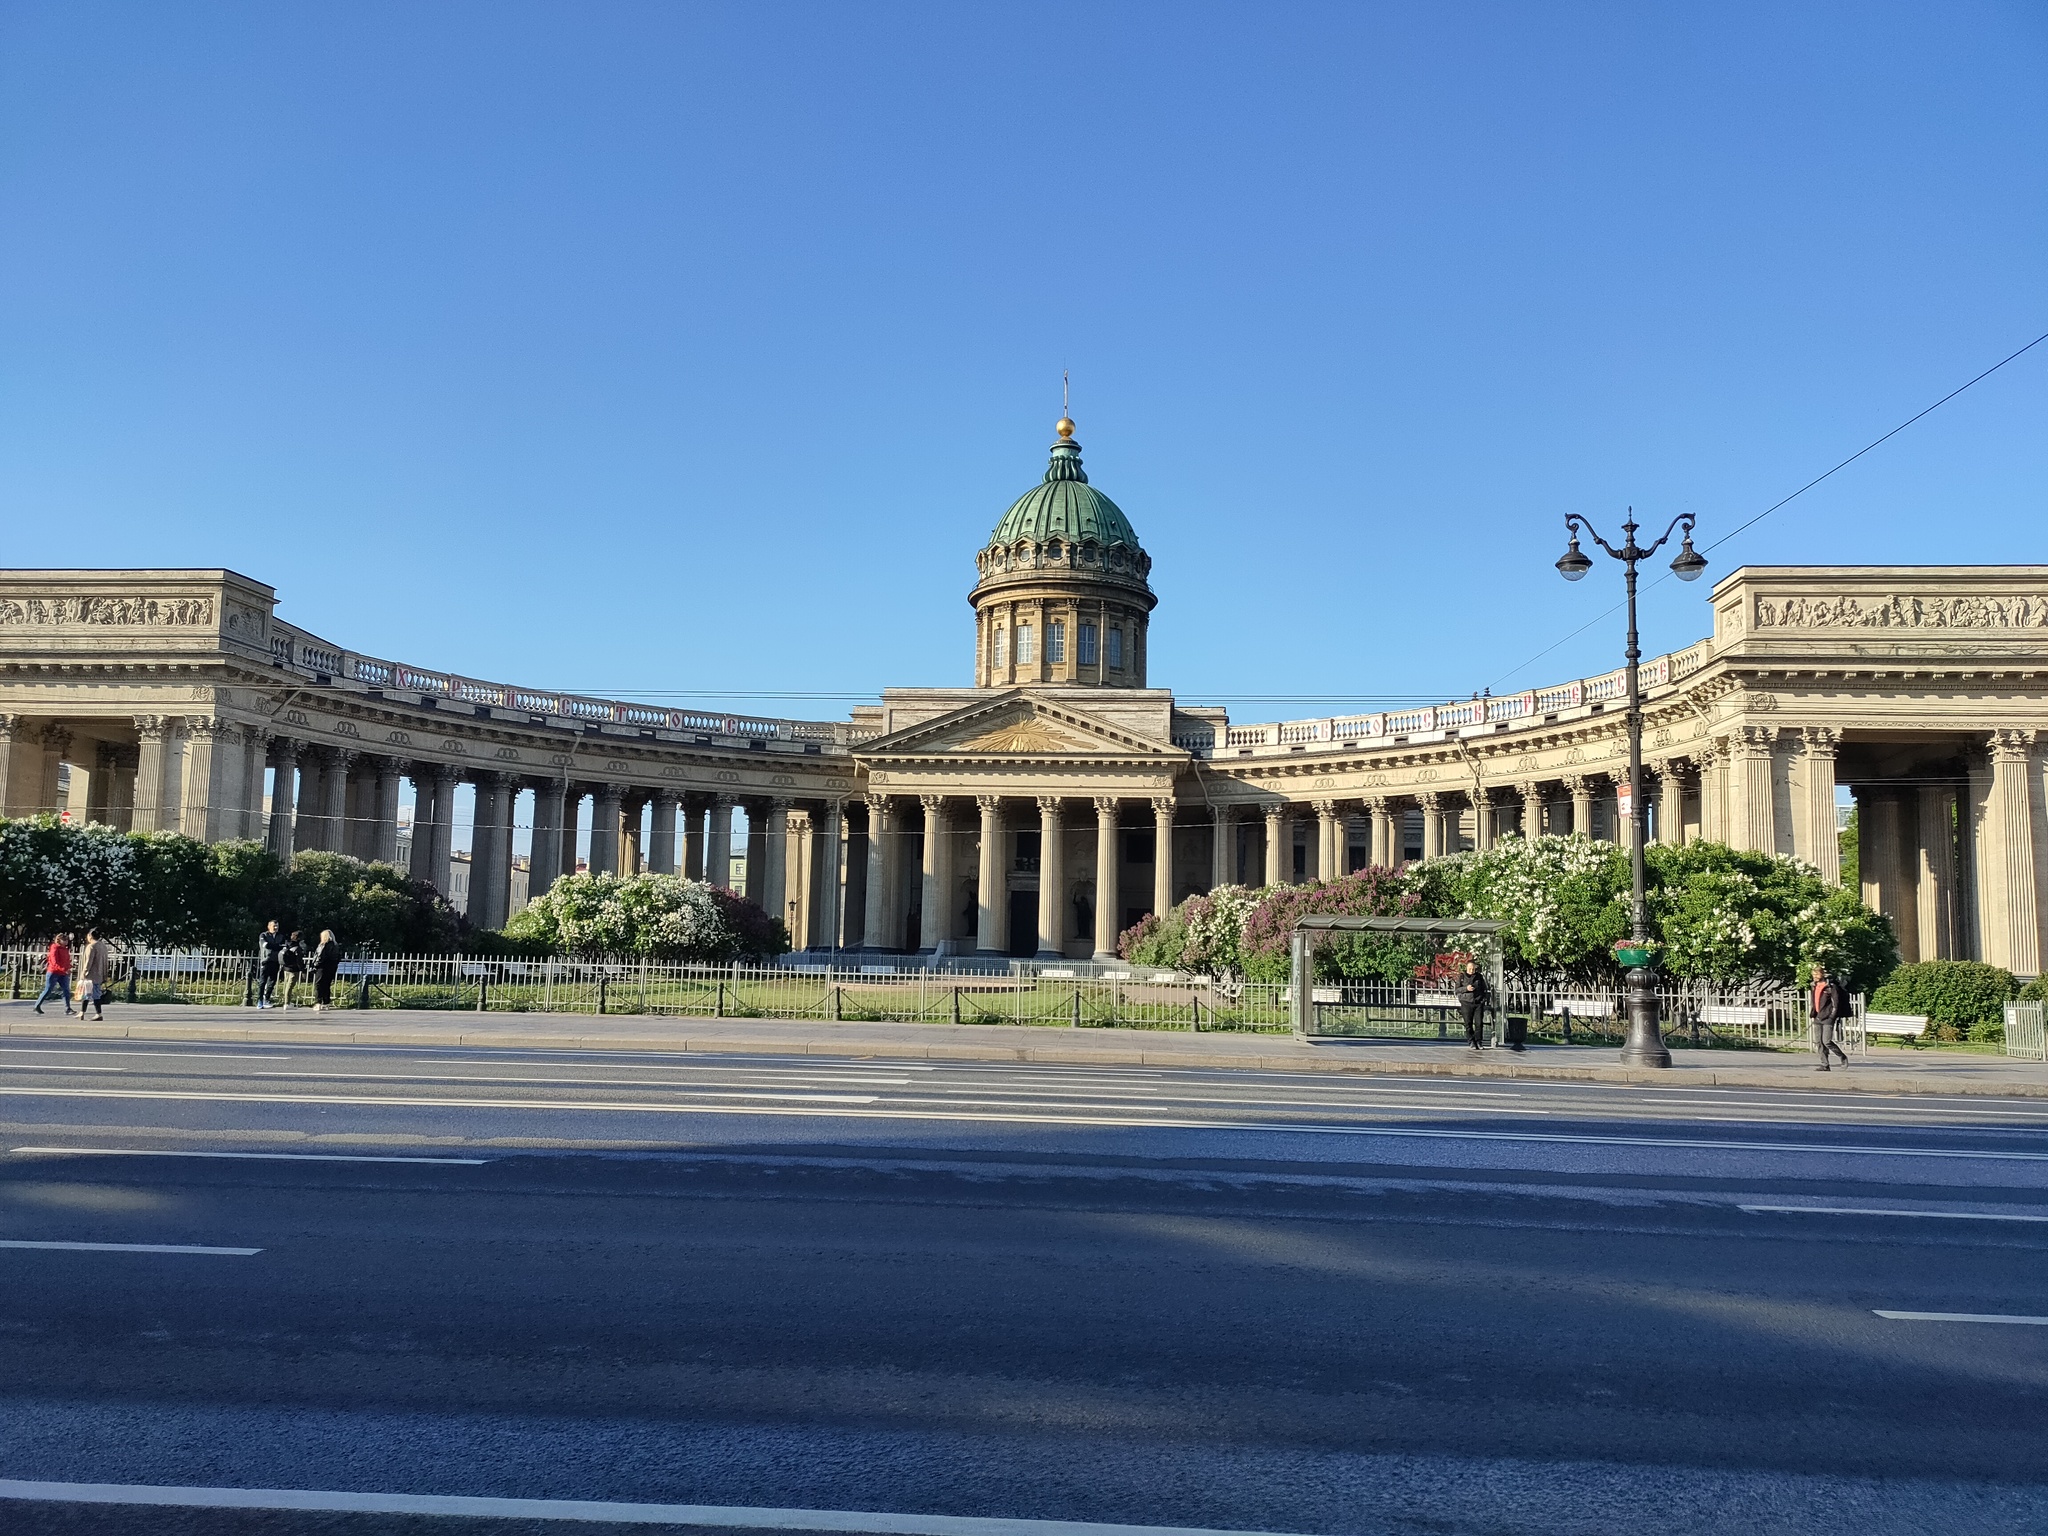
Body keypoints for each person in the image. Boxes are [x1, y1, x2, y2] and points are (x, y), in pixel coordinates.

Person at [1812, 966, 1850, 1070]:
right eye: (1813, 974)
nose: (1815, 976)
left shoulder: (1830, 987)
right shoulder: (1814, 985)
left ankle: (1842, 1057)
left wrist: (1832, 1016)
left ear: (1822, 974)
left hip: (1828, 1017)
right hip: (1817, 1016)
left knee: (1827, 1041)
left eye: (1817, 974)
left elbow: (1835, 1003)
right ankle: (1825, 1064)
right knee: (1818, 1042)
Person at [34, 933, 73, 1016]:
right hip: (53, 972)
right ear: (59, 940)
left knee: (66, 990)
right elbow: (54, 962)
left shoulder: (65, 949)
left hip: (63, 973)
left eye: (66, 940)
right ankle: (37, 1005)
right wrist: (63, 969)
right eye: (64, 940)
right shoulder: (54, 948)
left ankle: (67, 1008)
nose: (66, 942)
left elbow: (66, 960)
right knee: (48, 989)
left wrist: (69, 967)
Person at [76, 929, 109, 1022]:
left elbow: (88, 961)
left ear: (90, 935)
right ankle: (82, 1012)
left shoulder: (91, 946)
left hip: (91, 974)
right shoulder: (103, 946)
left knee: (92, 994)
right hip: (100, 973)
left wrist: (84, 973)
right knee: (88, 993)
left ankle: (98, 1014)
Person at [1456, 960, 1489, 1050]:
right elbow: (1457, 990)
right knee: (1468, 1023)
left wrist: (1483, 999)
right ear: (1466, 968)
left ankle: (1479, 1041)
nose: (1471, 971)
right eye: (1470, 969)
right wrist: (1466, 988)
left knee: (1479, 1023)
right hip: (1466, 1002)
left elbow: (1484, 988)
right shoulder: (1461, 977)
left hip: (1478, 1002)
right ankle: (1471, 1041)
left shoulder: (1479, 977)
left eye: (1473, 969)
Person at [309, 929, 342, 1013]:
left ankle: (318, 1002)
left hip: (322, 967)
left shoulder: (323, 945)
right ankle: (326, 1002)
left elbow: (319, 957)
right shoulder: (336, 946)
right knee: (327, 985)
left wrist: (314, 966)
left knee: (318, 985)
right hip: (331, 967)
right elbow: (338, 957)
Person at [256, 920, 286, 1009]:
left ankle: (267, 998)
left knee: (272, 981)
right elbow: (265, 945)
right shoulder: (263, 935)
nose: (276, 928)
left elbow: (283, 946)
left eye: (277, 926)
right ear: (269, 926)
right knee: (262, 981)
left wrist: (276, 946)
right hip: (266, 960)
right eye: (274, 926)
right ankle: (260, 1000)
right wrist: (277, 946)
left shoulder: (281, 936)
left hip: (275, 961)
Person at [279, 930, 306, 1009]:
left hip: (286, 968)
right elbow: (299, 961)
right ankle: (287, 1003)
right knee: (290, 986)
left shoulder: (288, 945)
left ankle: (286, 1002)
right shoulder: (297, 948)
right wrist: (303, 970)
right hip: (294, 970)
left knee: (286, 985)